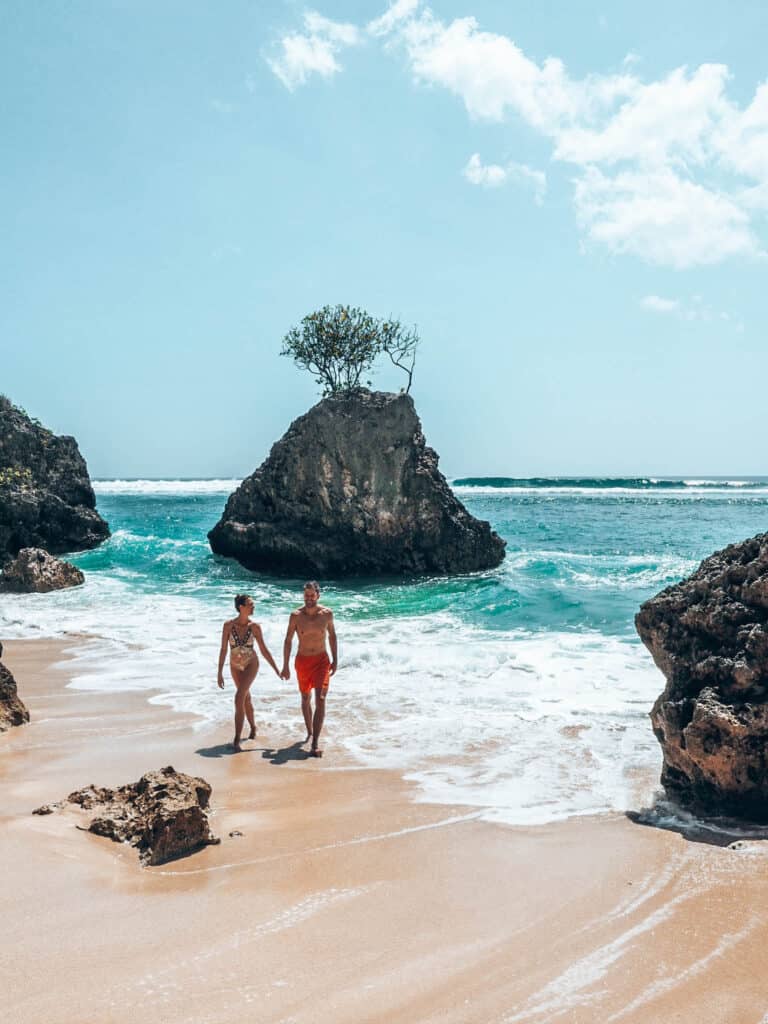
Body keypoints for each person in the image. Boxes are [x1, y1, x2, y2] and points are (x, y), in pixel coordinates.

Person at [281, 581, 337, 757]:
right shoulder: (296, 616)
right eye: (306, 596)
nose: (309, 599)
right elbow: (288, 640)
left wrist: (335, 659)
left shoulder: (326, 615)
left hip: (321, 660)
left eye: (312, 596)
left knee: (320, 699)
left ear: (318, 596)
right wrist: (285, 665)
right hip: (303, 661)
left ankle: (314, 743)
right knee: (306, 698)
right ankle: (310, 731)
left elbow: (333, 636)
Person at [217, 594, 280, 751]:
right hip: (235, 666)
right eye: (250, 604)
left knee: (239, 696)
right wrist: (219, 672)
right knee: (246, 698)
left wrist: (276, 669)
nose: (253, 607)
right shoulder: (228, 626)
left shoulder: (255, 627)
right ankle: (253, 727)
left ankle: (237, 739)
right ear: (241, 607)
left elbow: (264, 650)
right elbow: (224, 649)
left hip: (251, 664)